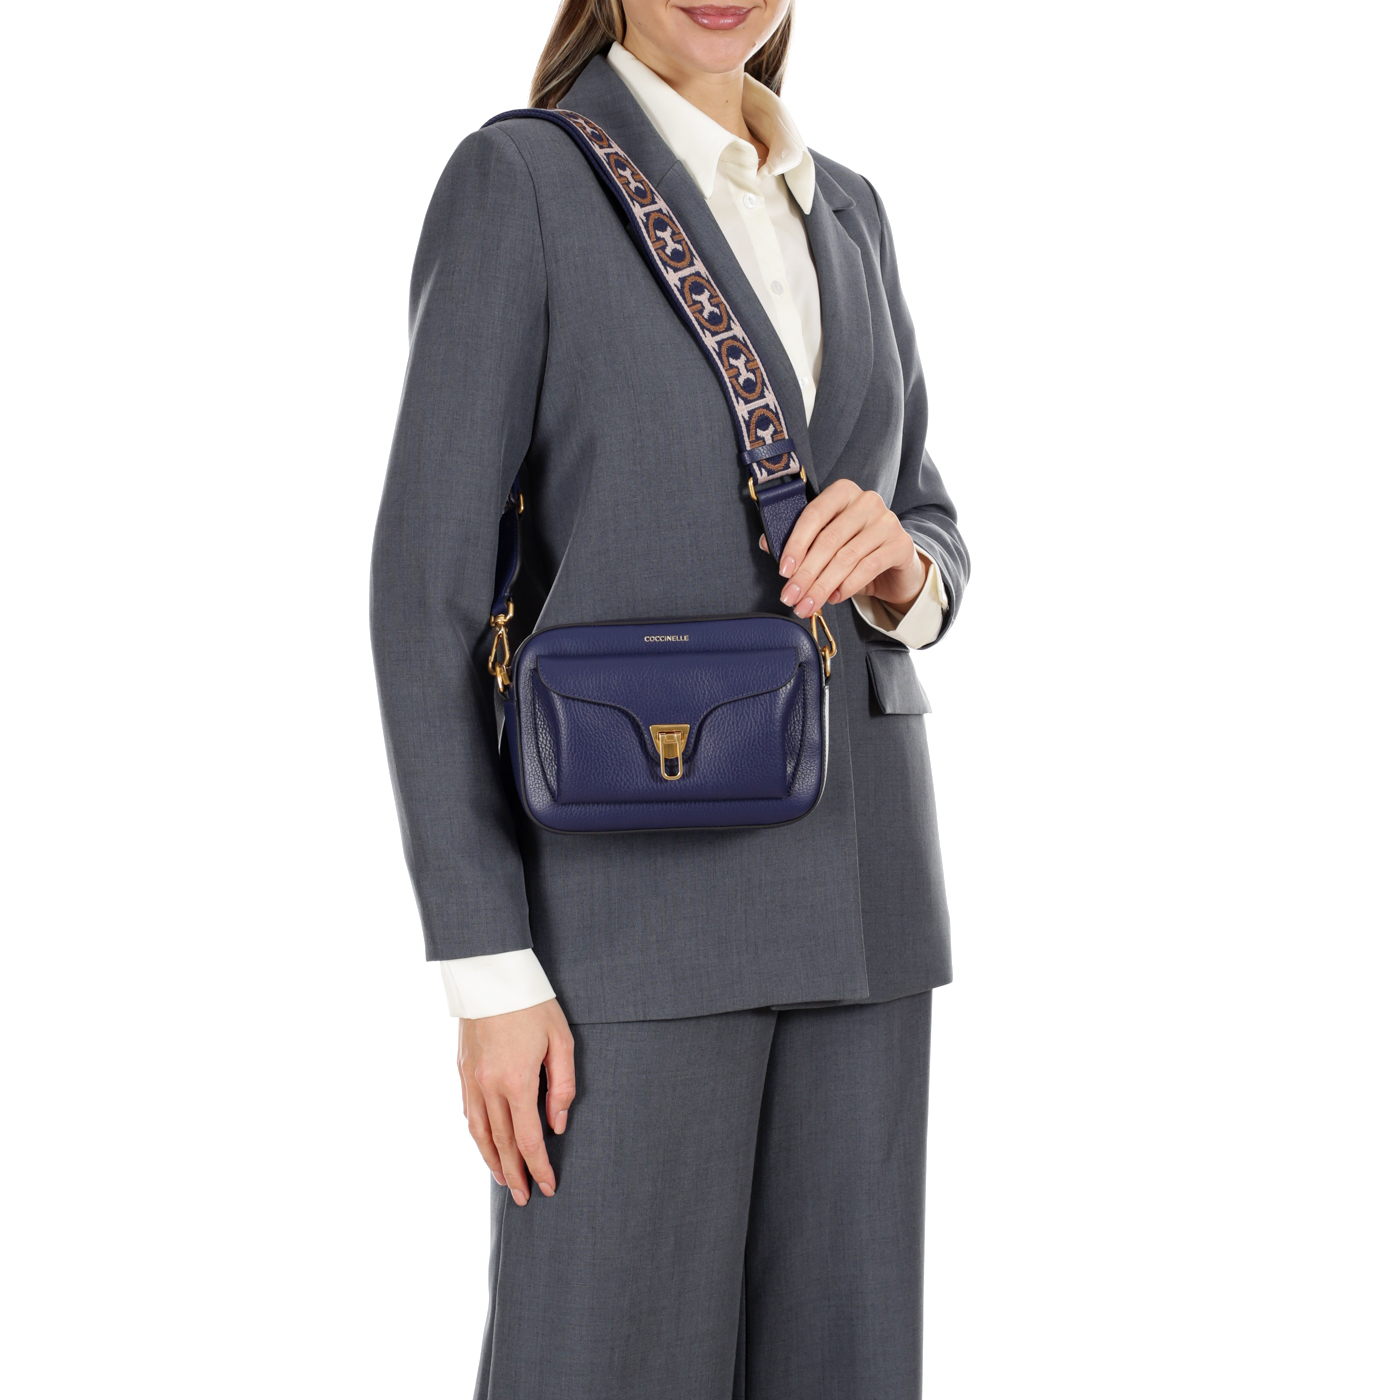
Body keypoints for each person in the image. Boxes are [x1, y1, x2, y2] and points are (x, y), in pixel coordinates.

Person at [370, 2, 969, 1395]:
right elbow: (424, 599)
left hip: (868, 907)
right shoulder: (524, 182)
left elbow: (929, 513)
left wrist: (906, 566)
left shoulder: (852, 210)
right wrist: (488, 969)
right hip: (630, 926)